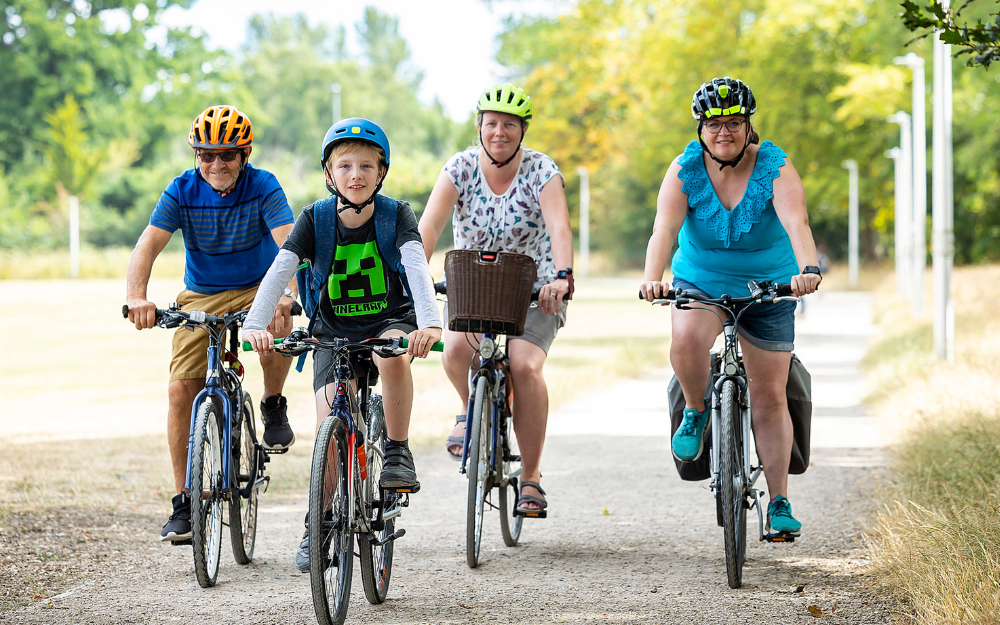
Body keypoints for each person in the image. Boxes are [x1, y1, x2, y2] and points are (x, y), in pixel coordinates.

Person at [242, 117, 443, 571]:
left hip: (389, 319)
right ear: (329, 173)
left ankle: (396, 449)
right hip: (331, 331)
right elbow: (280, 269)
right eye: (345, 166)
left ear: (381, 172)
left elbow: (415, 267)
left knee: (389, 351)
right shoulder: (315, 218)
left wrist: (428, 323)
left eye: (367, 166)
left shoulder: (396, 215)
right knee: (328, 431)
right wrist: (257, 323)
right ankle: (321, 521)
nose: (356, 175)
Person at [639, 77, 822, 538]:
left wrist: (808, 269)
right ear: (701, 127)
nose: (725, 131)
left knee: (768, 394)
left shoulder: (775, 166)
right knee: (686, 340)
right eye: (716, 123)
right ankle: (697, 411)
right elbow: (664, 228)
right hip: (702, 280)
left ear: (748, 126)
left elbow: (795, 220)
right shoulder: (684, 169)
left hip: (771, 284)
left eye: (735, 122)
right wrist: (652, 277)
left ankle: (778, 500)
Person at [125, 105, 298, 543]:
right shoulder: (181, 190)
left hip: (260, 286)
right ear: (196, 155)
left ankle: (273, 402)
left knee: (276, 328)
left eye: (227, 155)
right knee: (180, 388)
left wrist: (286, 295)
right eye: (207, 155)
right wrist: (136, 297)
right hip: (201, 293)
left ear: (245, 154)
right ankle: (184, 500)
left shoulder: (263, 186)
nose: (216, 164)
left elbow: (290, 245)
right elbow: (148, 245)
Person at [418, 84, 574, 515]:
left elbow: (559, 227)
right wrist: (416, 277)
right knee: (452, 352)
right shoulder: (460, 167)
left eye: (509, 125)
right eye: (492, 124)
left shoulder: (542, 170)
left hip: (535, 289)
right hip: (474, 285)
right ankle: (472, 412)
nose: (499, 132)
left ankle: (531, 477)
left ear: (522, 131)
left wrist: (562, 276)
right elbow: (429, 226)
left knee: (524, 366)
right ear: (479, 127)